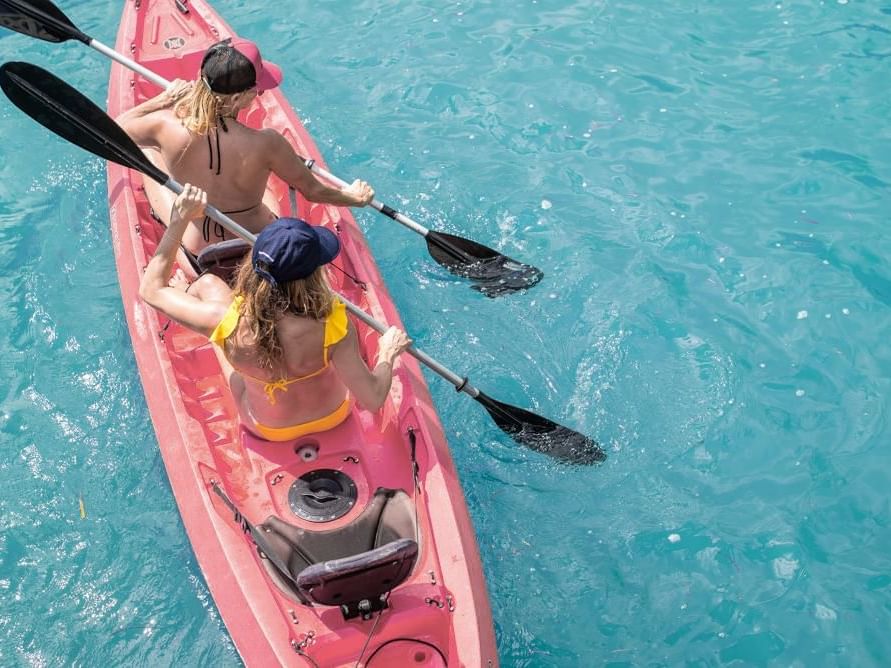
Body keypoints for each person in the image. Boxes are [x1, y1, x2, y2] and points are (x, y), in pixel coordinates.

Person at [139, 184, 411, 441]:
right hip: (334, 416)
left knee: (210, 289)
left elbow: (150, 290)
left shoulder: (224, 319)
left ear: (253, 264)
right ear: (314, 274)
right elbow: (373, 398)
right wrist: (387, 353)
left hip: (266, 427)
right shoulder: (333, 320)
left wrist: (180, 219)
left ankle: (189, 292)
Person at [118, 37, 374, 278]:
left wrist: (162, 100)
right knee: (264, 185)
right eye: (257, 88)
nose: (261, 93)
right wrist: (354, 197)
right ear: (238, 98)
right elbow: (314, 191)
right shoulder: (268, 142)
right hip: (261, 248)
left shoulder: (165, 126)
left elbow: (115, 127)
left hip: (200, 256)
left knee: (149, 151)